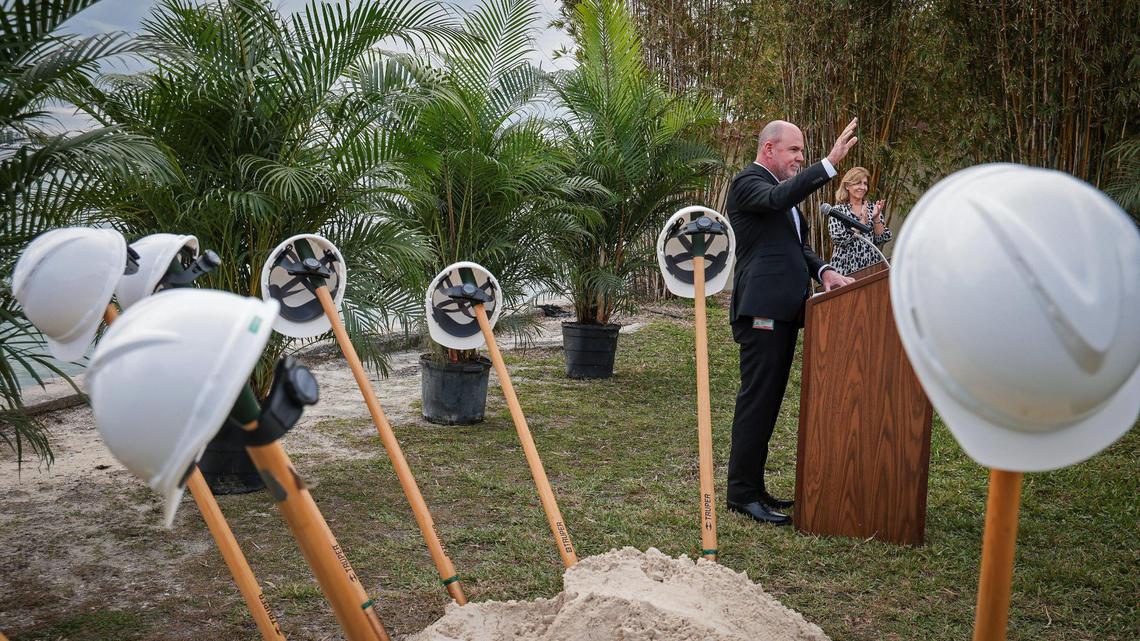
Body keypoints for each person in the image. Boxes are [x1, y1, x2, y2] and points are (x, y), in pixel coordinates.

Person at [724, 118, 858, 525]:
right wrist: (830, 163)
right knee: (756, 402)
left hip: (785, 313)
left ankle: (755, 488)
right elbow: (778, 199)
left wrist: (824, 272)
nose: (800, 158)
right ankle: (740, 494)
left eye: (803, 152)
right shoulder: (748, 183)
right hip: (761, 311)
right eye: (794, 151)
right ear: (769, 150)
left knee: (769, 403)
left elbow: (796, 246)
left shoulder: (779, 195)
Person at [827, 167, 892, 275]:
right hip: (845, 268)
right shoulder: (837, 211)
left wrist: (876, 218)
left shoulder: (872, 208)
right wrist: (861, 223)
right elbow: (839, 239)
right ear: (847, 186)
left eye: (865, 183)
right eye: (858, 183)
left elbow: (881, 239)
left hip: (870, 266)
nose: (862, 187)